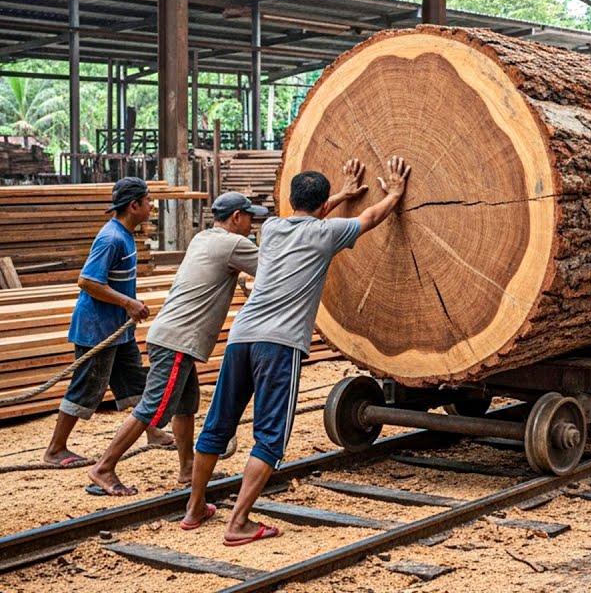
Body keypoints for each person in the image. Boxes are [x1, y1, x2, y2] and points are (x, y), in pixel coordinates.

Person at [183, 157, 411, 544]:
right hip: (280, 343)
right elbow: (371, 218)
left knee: (218, 423)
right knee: (270, 436)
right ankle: (238, 523)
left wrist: (341, 192)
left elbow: (312, 214)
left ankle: (194, 509)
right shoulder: (327, 234)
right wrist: (395, 194)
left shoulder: (271, 228)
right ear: (323, 205)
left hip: (242, 336)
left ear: (291, 200)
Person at [85, 192, 265, 497]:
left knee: (185, 404)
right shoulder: (233, 243)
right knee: (152, 406)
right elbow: (274, 268)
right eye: (250, 217)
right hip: (178, 342)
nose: (252, 223)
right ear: (236, 217)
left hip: (171, 336)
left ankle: (187, 468)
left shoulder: (203, 238)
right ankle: (103, 467)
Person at [44, 177, 173, 467]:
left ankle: (153, 431)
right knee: (86, 388)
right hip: (97, 331)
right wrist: (128, 303)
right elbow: (87, 281)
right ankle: (55, 449)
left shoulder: (125, 235)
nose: (151, 207)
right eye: (148, 201)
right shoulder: (111, 238)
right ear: (134, 205)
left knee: (134, 382)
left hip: (117, 329)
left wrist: (127, 307)